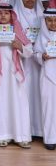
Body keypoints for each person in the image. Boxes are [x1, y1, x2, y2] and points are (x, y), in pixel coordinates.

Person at [0, 3, 32, 148]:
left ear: (11, 15)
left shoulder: (17, 30)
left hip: (15, 73)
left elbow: (29, 52)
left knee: (19, 102)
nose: (3, 16)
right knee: (1, 102)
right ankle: (2, 136)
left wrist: (20, 46)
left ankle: (21, 136)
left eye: (6, 13)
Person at [13, 0, 44, 138]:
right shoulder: (15, 17)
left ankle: (40, 130)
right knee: (23, 93)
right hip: (22, 61)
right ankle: (25, 131)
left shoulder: (43, 16)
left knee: (39, 94)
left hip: (40, 62)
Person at [34, 9, 56, 150]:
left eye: (55, 21)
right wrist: (42, 56)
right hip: (47, 75)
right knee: (49, 107)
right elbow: (35, 53)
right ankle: (50, 138)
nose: (53, 23)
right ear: (45, 22)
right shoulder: (41, 37)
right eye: (50, 20)